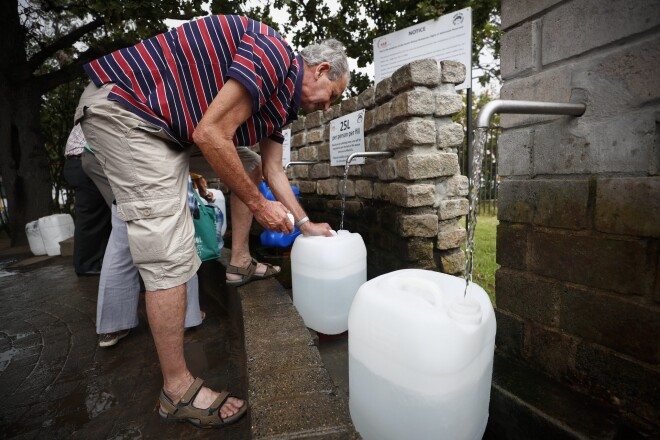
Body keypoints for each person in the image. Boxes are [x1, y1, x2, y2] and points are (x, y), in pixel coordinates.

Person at [75, 14, 348, 429]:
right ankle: (176, 390)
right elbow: (211, 134)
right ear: (321, 70)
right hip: (128, 109)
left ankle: (238, 260)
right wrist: (259, 207)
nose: (327, 107)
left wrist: (305, 223)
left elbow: (272, 171)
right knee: (168, 244)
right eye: (332, 96)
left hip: (170, 127)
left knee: (251, 162)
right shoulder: (274, 55)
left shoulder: (280, 109)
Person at [82, 146, 206, 347]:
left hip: (113, 153)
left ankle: (114, 324)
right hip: (151, 157)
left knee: (122, 241)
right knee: (176, 236)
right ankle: (186, 316)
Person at [62, 124, 111, 275]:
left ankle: (89, 264)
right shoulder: (105, 107)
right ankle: (87, 266)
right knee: (94, 217)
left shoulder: (92, 107)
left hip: (77, 162)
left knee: (98, 216)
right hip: (84, 160)